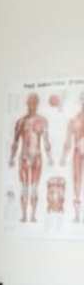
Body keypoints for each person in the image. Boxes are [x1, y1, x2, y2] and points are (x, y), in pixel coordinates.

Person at [8, 92, 52, 223]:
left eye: (34, 103)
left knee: (34, 187)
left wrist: (49, 157)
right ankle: (24, 215)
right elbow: (15, 141)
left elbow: (46, 141)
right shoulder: (21, 122)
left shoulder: (42, 121)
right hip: (24, 156)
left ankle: (32, 215)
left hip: (37, 156)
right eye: (30, 102)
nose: (32, 105)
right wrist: (11, 157)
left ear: (37, 104)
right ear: (27, 103)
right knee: (24, 187)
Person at [60, 90, 84, 222]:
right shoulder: (74, 121)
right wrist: (63, 157)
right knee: (77, 181)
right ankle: (77, 215)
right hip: (78, 152)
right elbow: (68, 141)